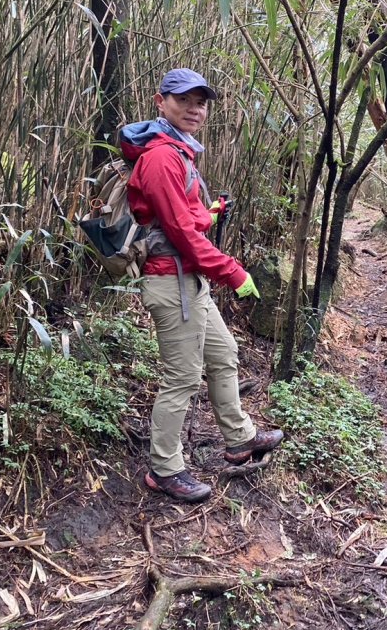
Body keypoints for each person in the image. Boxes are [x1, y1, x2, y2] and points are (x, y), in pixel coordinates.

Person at [120, 67, 283, 503]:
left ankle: (240, 439)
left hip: (189, 282)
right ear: (161, 102)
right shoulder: (159, 157)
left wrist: (210, 211)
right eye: (184, 100)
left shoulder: (180, 153)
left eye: (201, 102)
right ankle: (164, 469)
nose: (195, 109)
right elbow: (181, 236)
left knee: (223, 353)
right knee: (182, 378)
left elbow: (184, 220)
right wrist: (234, 272)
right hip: (171, 283)